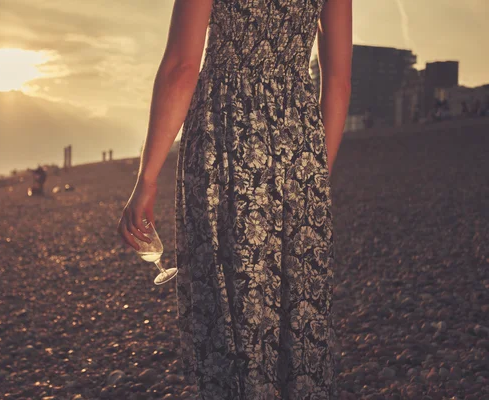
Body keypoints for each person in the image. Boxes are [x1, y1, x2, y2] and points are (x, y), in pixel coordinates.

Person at [118, 0, 352, 399]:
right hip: (299, 148)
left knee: (232, 305)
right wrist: (315, 174)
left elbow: (181, 69)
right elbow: (339, 80)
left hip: (224, 139)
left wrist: (147, 178)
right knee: (298, 308)